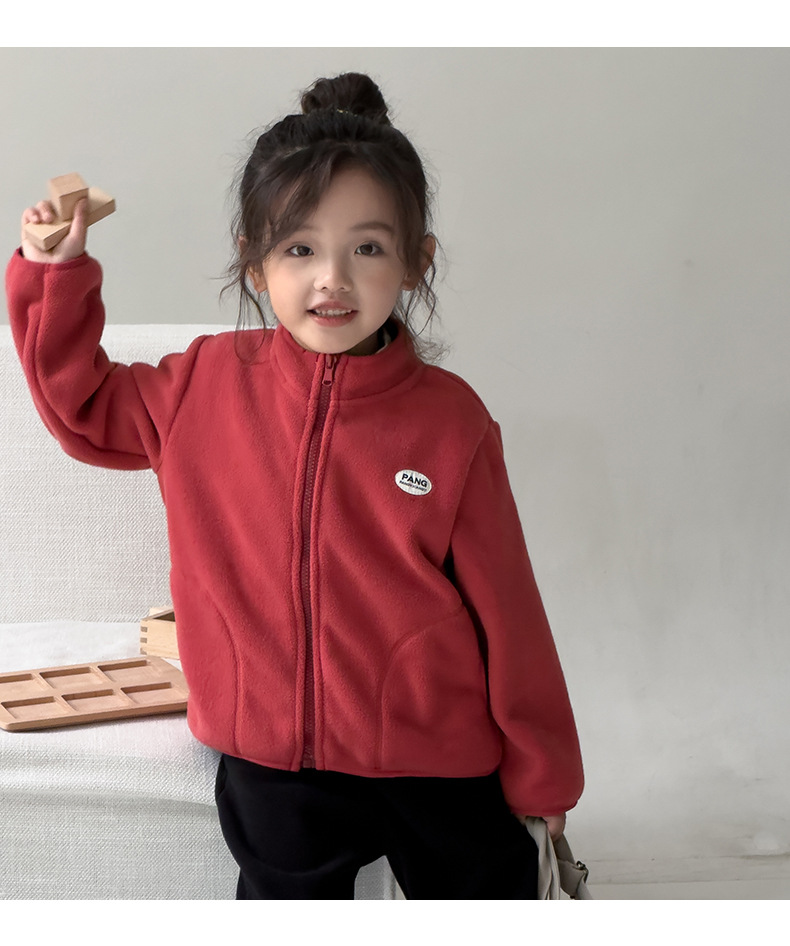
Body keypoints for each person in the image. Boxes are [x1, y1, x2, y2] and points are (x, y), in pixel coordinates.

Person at [6, 72, 583, 899]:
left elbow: (510, 610)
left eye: (368, 248)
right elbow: (84, 406)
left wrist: (544, 775)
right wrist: (52, 273)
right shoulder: (201, 386)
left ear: (416, 262)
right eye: (300, 249)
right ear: (254, 263)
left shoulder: (452, 421)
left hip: (435, 753)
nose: (332, 279)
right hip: (272, 759)